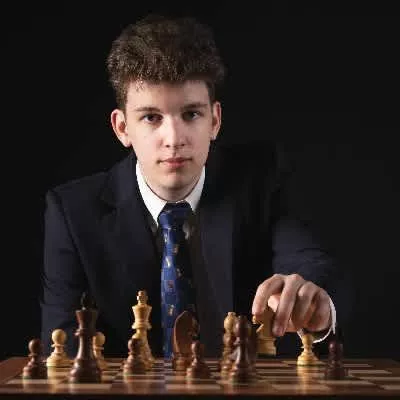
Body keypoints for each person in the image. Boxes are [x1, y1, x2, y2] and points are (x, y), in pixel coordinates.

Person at [40, 14, 350, 358]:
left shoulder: (260, 181)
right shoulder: (73, 213)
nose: (174, 139)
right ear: (122, 128)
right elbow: (62, 348)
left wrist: (314, 299)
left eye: (191, 114)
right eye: (151, 117)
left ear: (214, 120)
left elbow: (308, 261)